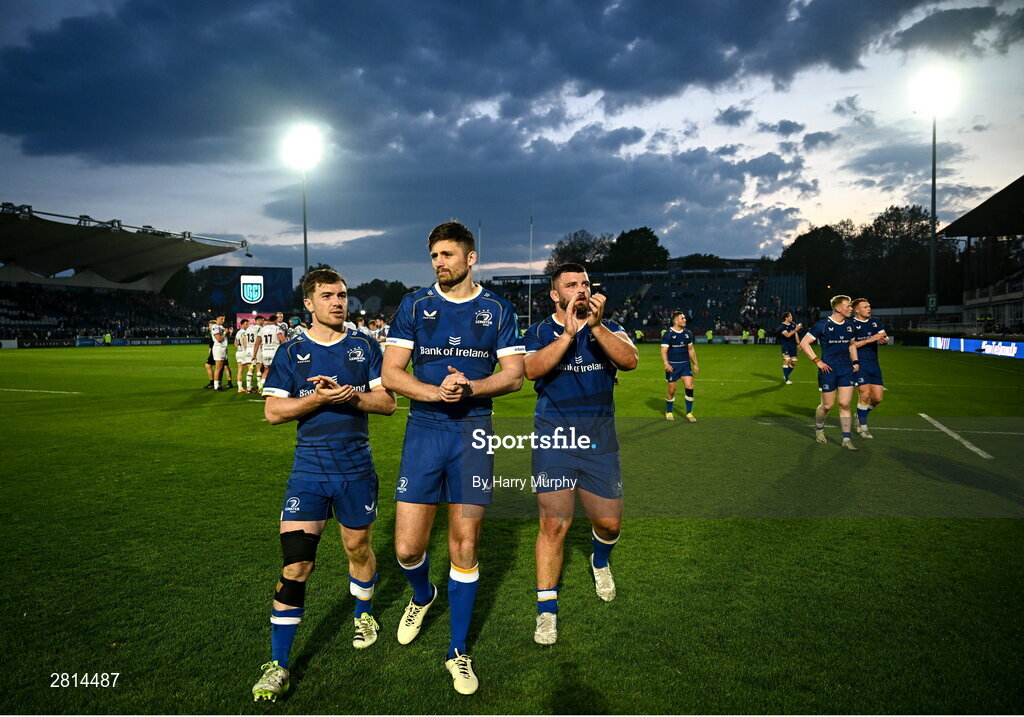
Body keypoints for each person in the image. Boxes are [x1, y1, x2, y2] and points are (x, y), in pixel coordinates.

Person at [382, 221, 525, 695]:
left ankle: (458, 651)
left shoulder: (499, 309)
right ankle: (423, 596)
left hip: (473, 434)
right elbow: (390, 374)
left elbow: (514, 376)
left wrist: (470, 387)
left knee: (464, 545)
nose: (439, 263)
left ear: (471, 257)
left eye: (447, 254)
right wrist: (434, 391)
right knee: (407, 548)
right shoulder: (415, 306)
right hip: (424, 432)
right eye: (434, 256)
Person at [251, 268, 396, 702]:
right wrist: (318, 398)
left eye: (343, 295)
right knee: (296, 566)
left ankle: (364, 614)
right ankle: (278, 665)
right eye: (328, 296)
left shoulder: (364, 346)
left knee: (358, 550)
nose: (338, 302)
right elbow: (273, 413)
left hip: (355, 473)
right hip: (308, 474)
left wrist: (348, 395)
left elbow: (387, 403)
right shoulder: (291, 352)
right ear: (309, 304)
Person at [523, 262, 638, 646]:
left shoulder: (608, 327)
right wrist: (568, 335)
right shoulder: (539, 331)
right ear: (556, 295)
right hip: (554, 441)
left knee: (609, 526)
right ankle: (546, 611)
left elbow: (630, 360)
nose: (581, 289)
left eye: (585, 283)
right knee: (554, 525)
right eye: (571, 285)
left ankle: (600, 560)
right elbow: (530, 369)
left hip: (599, 443)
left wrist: (594, 327)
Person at [799, 295, 860, 451]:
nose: (851, 308)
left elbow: (851, 345)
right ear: (838, 308)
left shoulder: (850, 325)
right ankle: (819, 428)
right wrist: (817, 361)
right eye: (848, 306)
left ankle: (846, 439)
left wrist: (855, 361)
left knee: (845, 404)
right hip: (828, 370)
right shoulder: (822, 325)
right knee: (827, 405)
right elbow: (804, 343)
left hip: (846, 369)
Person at [850, 298, 887, 439]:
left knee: (877, 398)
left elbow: (883, 336)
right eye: (865, 307)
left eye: (869, 306)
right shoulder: (851, 324)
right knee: (864, 395)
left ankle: (860, 414)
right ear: (857, 310)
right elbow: (851, 345)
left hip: (874, 364)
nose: (869, 309)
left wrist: (884, 340)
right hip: (859, 364)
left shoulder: (875, 321)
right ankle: (863, 428)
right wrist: (870, 339)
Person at [661, 310, 699, 422]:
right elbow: (664, 351)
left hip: (685, 365)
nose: (685, 320)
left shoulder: (688, 333)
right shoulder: (668, 334)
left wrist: (695, 364)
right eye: (682, 318)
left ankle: (689, 413)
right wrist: (666, 363)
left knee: (690, 387)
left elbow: (691, 350)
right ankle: (669, 411)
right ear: (676, 320)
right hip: (672, 366)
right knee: (672, 390)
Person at [252, 313, 287, 393]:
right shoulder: (277, 328)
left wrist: (254, 355)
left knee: (266, 370)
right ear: (275, 320)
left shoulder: (262, 329)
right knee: (278, 370)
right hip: (275, 352)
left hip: (265, 352)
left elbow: (257, 343)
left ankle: (261, 387)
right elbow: (282, 340)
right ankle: (278, 388)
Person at [777, 312, 803, 384]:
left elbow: (795, 333)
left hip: (793, 345)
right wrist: (796, 329)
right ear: (786, 318)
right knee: (787, 360)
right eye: (790, 316)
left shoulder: (793, 324)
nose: (792, 317)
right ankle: (787, 379)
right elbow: (787, 335)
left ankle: (786, 375)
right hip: (786, 345)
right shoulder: (782, 327)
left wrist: (798, 343)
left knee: (794, 361)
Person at [210, 314, 230, 391]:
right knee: (218, 367)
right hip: (218, 348)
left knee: (221, 368)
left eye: (224, 319)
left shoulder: (221, 327)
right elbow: (218, 338)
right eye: (221, 319)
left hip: (223, 348)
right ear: (217, 318)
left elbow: (225, 338)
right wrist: (225, 332)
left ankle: (219, 384)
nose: (223, 320)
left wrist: (228, 333)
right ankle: (216, 386)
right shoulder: (215, 327)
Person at [245, 317, 264, 393]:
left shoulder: (249, 328)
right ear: (258, 321)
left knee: (250, 369)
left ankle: (248, 388)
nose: (263, 323)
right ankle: (260, 388)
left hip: (248, 349)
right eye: (262, 321)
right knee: (258, 368)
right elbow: (261, 339)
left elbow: (245, 339)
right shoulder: (260, 328)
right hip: (256, 349)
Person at [235, 319, 253, 393]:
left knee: (240, 370)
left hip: (238, 352)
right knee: (250, 369)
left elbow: (235, 343)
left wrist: (240, 348)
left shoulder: (238, 332)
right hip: (244, 353)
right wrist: (246, 351)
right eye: (246, 324)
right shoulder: (244, 332)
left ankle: (240, 387)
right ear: (242, 325)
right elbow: (245, 342)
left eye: (248, 324)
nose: (247, 326)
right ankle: (249, 387)